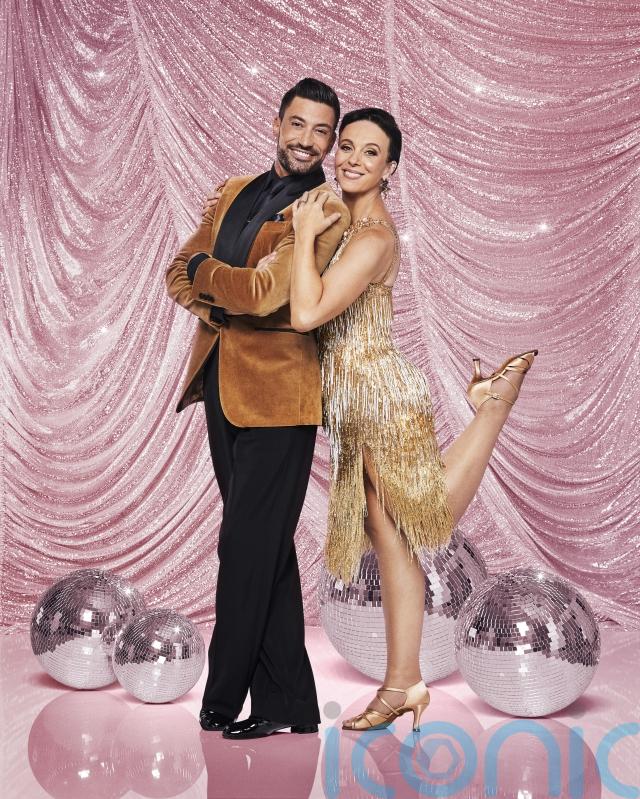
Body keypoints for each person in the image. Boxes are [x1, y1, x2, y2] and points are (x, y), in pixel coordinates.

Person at [283, 107, 538, 731]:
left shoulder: (372, 237)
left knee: (427, 520)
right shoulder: (348, 224)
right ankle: (404, 684)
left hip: (378, 395)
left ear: (390, 168)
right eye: (347, 146)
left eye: (370, 153)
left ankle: (493, 409)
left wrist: (303, 233)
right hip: (353, 402)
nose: (351, 159)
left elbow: (306, 314)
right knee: (392, 539)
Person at [165, 78, 350, 740]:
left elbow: (266, 295)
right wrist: (222, 291)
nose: (307, 140)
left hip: (281, 400)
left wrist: (211, 277)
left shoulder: (326, 210)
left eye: (321, 131)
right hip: (222, 386)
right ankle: (289, 703)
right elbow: (176, 270)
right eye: (298, 124)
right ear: (277, 123)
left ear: (331, 142)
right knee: (265, 548)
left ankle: (221, 698)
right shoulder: (234, 191)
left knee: (244, 547)